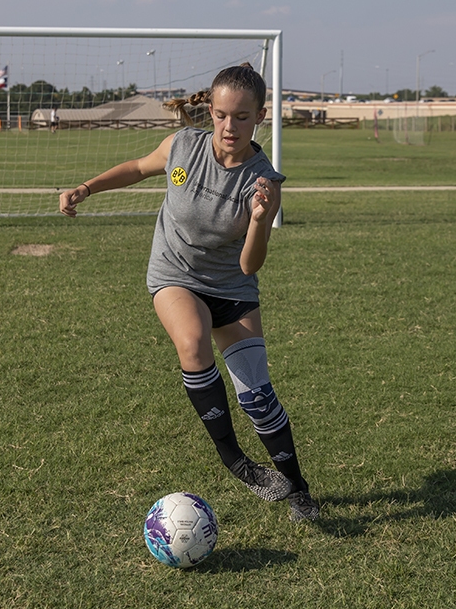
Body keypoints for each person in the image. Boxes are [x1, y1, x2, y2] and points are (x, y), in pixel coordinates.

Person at [59, 63, 318, 521]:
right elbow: (138, 168)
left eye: (241, 117)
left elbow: (249, 264)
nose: (229, 126)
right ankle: (235, 461)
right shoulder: (183, 146)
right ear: (210, 111)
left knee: (257, 394)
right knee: (193, 343)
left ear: (259, 115)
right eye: (221, 115)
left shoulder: (263, 181)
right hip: (174, 272)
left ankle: (298, 489)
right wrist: (86, 187)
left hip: (232, 285)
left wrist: (260, 220)